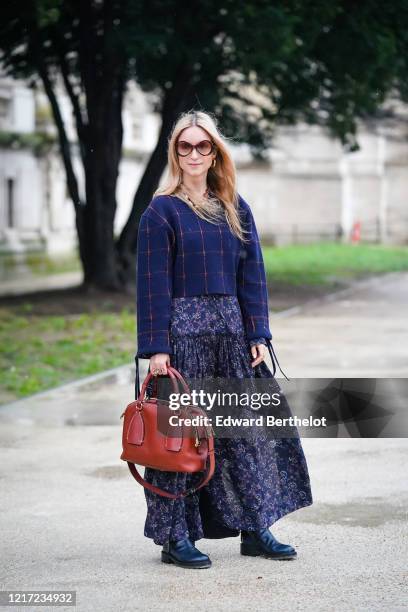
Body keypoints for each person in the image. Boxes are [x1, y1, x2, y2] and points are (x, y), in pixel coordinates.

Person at [135, 110, 313, 569]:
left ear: (215, 152)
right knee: (180, 439)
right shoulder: (161, 211)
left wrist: (258, 333)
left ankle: (256, 529)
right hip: (183, 337)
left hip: (232, 336)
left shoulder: (234, 206)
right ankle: (176, 538)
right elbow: (152, 284)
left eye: (203, 146)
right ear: (175, 153)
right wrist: (157, 349)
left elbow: (252, 275)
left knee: (247, 435)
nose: (194, 154)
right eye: (185, 146)